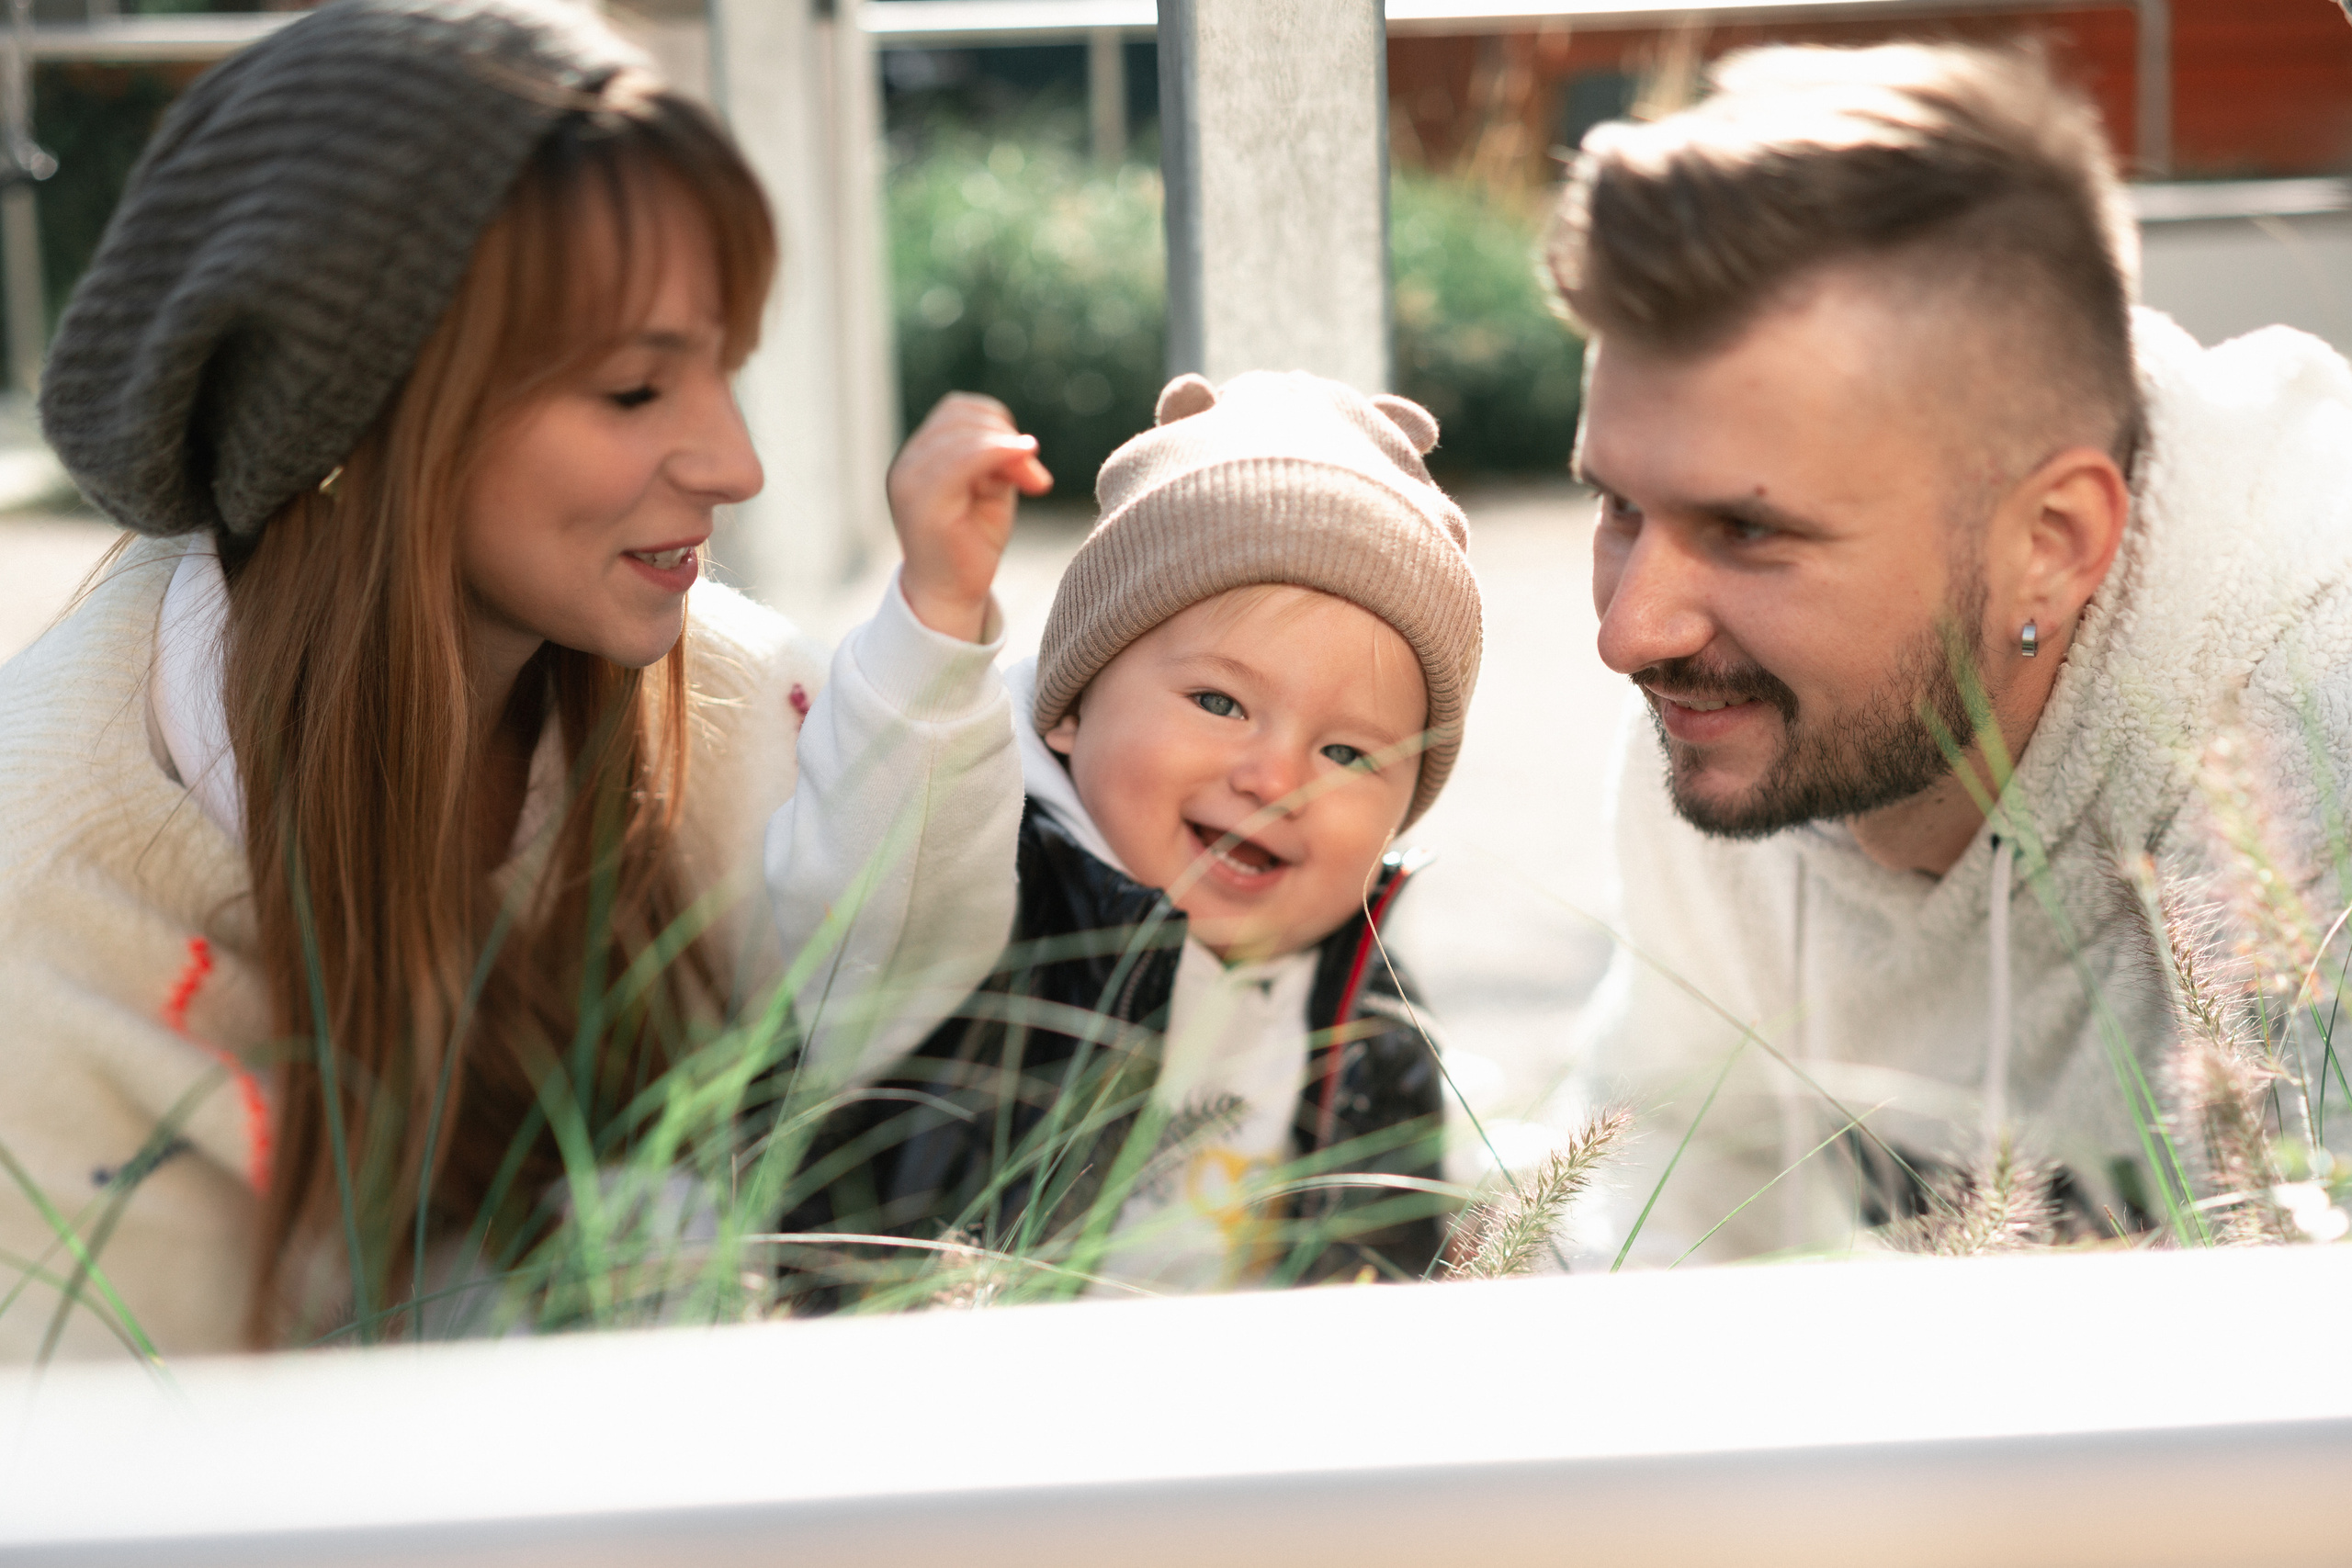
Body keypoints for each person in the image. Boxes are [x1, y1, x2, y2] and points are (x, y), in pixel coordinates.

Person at [0, 0, 1040, 1359]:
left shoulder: (710, 689)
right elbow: (133, 1483)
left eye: (722, 366)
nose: (735, 463)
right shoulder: (51, 900)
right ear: (364, 421)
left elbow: (894, 997)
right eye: (631, 390)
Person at [1553, 42, 2352, 1261]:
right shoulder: (1733, 704)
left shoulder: (2319, 723)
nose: (1631, 633)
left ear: (2052, 540)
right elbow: (1671, 1182)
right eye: (1618, 507)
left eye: (1750, 527)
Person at [797, 371, 1484, 1296]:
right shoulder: (978, 888)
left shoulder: (1369, 1016)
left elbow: (1393, 1275)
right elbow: (867, 872)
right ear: (1072, 706)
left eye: (1348, 752)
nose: (1275, 780)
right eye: (1218, 701)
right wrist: (935, 621)